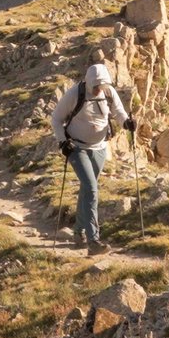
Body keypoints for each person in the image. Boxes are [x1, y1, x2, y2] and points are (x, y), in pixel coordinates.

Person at [52, 62, 138, 255]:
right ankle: (93, 241)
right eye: (96, 86)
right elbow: (56, 118)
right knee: (91, 188)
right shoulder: (75, 94)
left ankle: (78, 232)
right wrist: (62, 141)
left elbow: (118, 112)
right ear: (89, 83)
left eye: (102, 85)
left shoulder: (108, 92)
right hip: (77, 147)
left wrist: (126, 123)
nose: (99, 89)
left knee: (87, 189)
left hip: (100, 148)